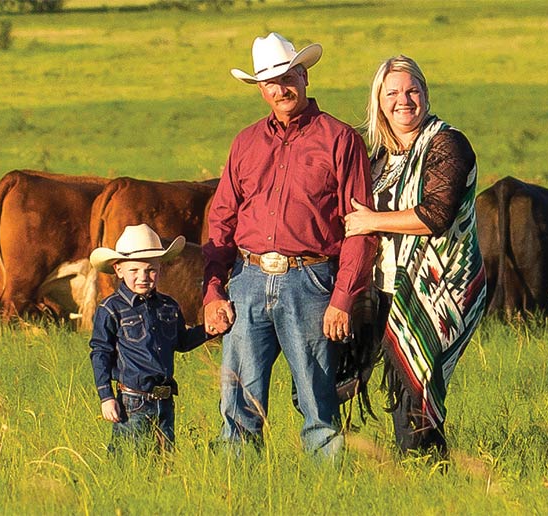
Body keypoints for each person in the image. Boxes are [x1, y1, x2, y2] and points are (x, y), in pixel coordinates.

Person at [202, 32, 378, 457]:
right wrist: (211, 291)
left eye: (288, 76)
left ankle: (329, 495)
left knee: (319, 403)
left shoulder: (340, 140)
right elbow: (221, 220)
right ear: (260, 90)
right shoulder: (245, 142)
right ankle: (233, 492)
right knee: (237, 403)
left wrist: (342, 298)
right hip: (246, 278)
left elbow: (360, 227)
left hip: (312, 280)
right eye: (270, 82)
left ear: (304, 75)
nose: (281, 89)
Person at [344, 55, 487, 456]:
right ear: (379, 100)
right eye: (392, 93)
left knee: (416, 387)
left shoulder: (447, 143)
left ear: (425, 94)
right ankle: (417, 469)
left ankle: (427, 470)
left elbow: (436, 215)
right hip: (387, 285)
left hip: (439, 288)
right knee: (392, 384)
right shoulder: (380, 158)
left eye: (412, 91)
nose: (403, 100)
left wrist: (373, 220)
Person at [89, 224, 214, 453]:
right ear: (118, 270)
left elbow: (182, 342)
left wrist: (210, 329)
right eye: (134, 270)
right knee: (128, 458)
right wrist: (106, 396)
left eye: (150, 270)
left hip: (165, 400)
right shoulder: (110, 309)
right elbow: (100, 353)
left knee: (164, 459)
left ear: (160, 268)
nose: (143, 277)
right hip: (132, 402)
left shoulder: (168, 306)